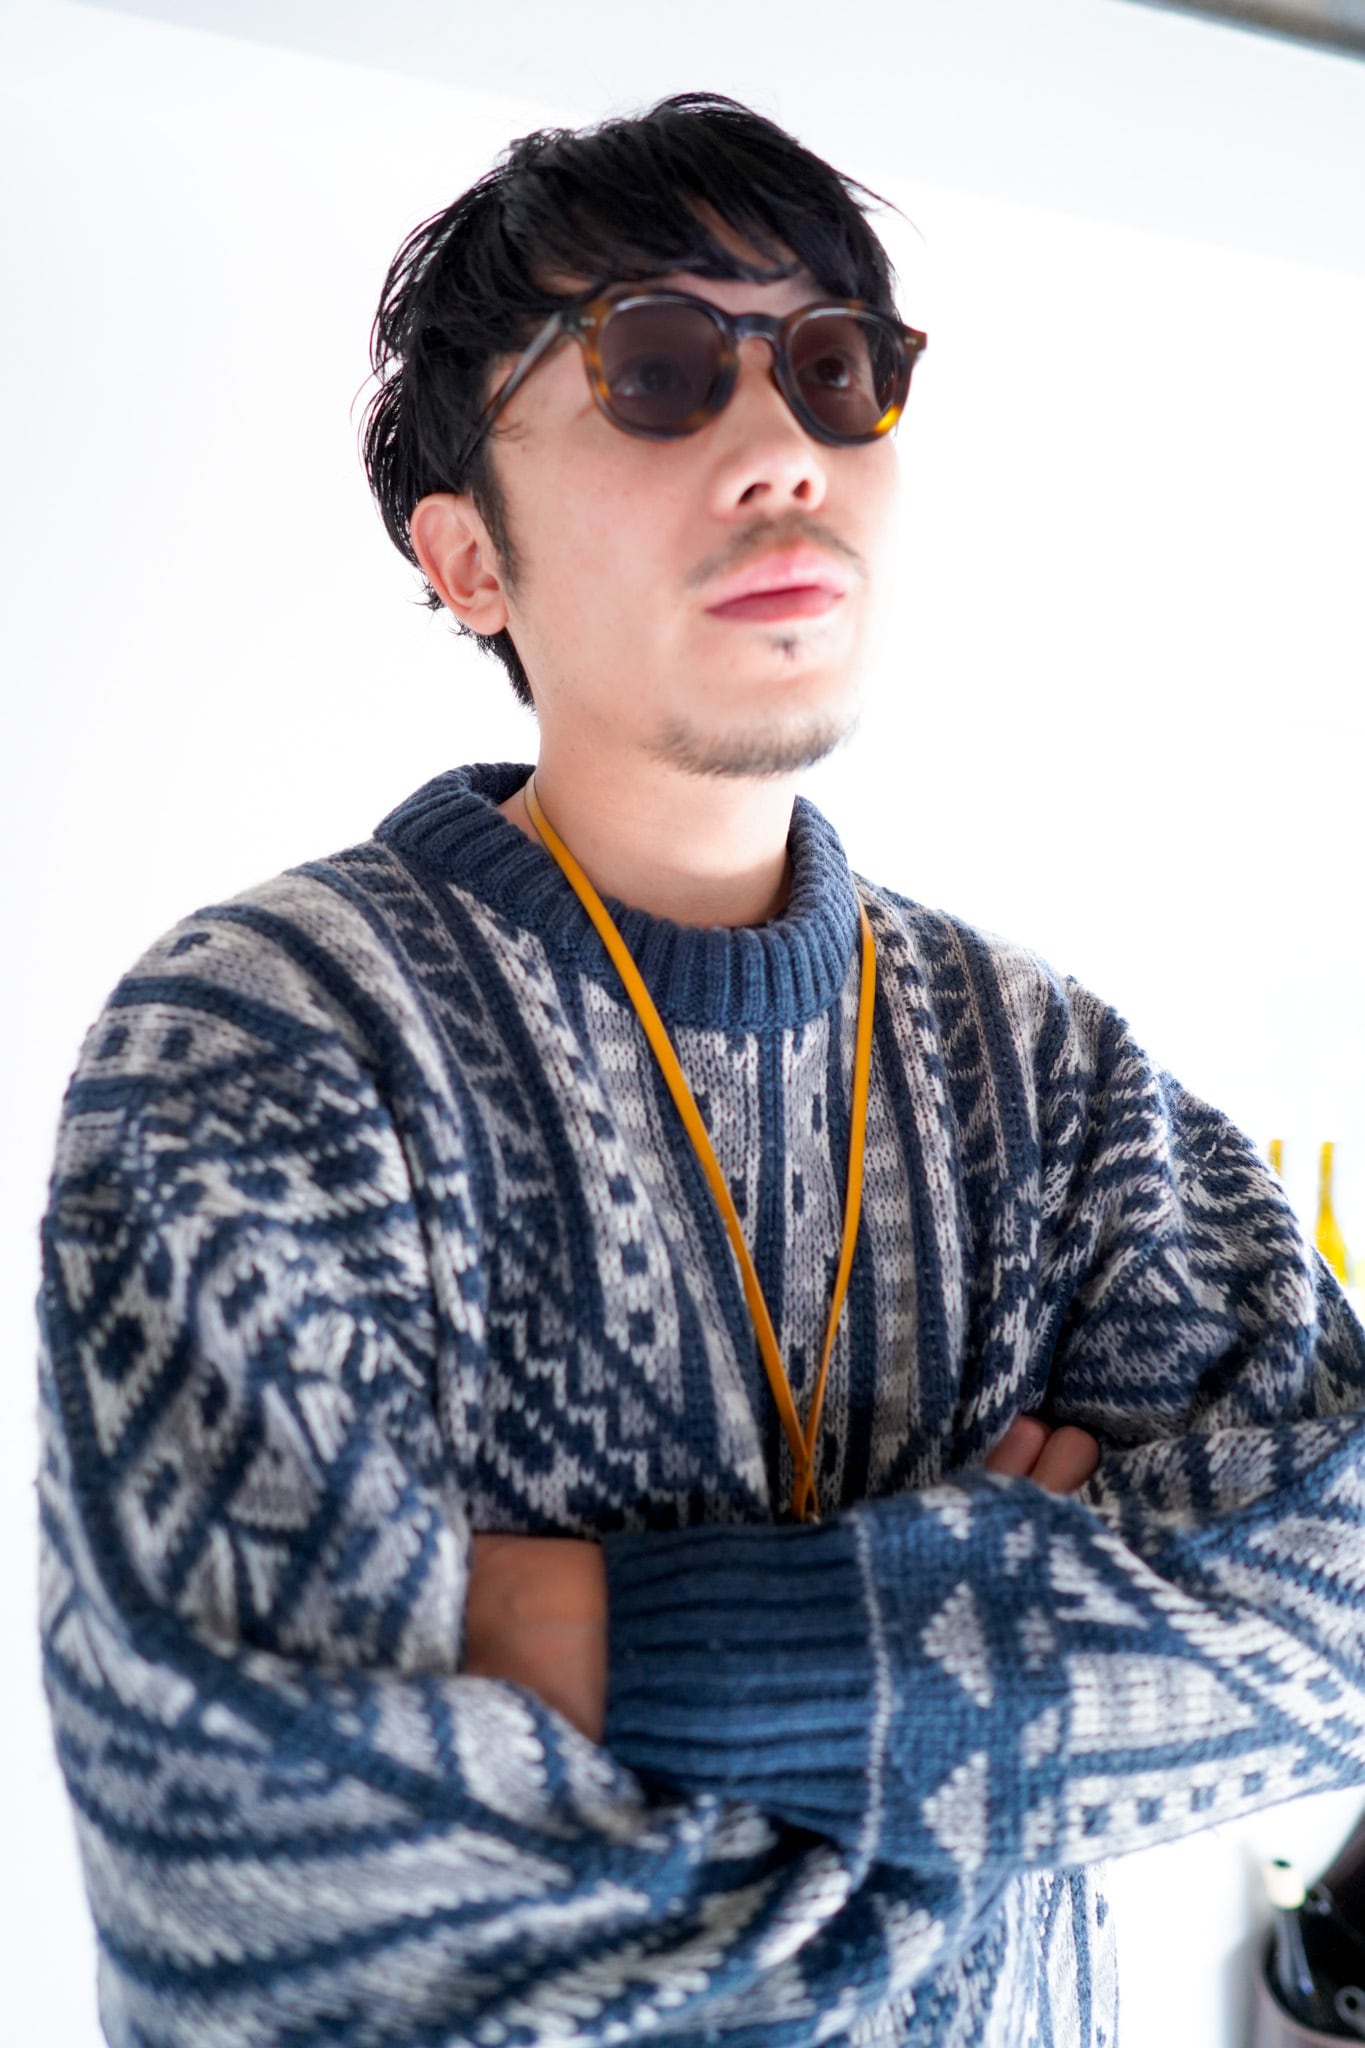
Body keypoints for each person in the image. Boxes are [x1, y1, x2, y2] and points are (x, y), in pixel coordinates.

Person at [37, 91, 1365, 2048]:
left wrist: (564, 1629)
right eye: (654, 372)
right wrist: (989, 1744)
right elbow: (259, 1912)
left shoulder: (1044, 1072)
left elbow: (1342, 1605)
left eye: (834, 368)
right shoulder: (266, 1042)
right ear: (466, 559)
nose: (780, 448)